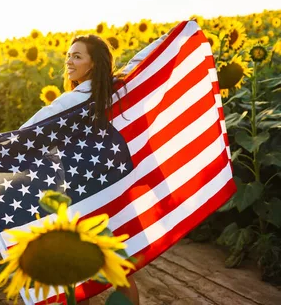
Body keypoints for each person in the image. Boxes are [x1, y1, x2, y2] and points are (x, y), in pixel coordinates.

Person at [19, 31, 169, 305]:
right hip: (112, 193)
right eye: (68, 56)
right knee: (120, 270)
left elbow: (24, 132)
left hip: (83, 196)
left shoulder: (69, 101)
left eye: (77, 56)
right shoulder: (118, 90)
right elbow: (142, 61)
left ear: (94, 64)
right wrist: (171, 36)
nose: (69, 62)